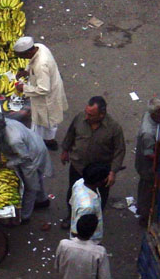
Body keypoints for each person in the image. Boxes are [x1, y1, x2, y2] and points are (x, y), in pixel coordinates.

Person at [61, 96, 126, 229]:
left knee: (99, 197)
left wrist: (113, 172)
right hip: (78, 165)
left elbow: (119, 151)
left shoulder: (114, 128)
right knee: (73, 193)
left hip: (100, 171)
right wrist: (65, 150)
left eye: (90, 115)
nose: (86, 116)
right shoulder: (80, 118)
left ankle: (94, 221)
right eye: (86, 112)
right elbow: (71, 134)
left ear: (101, 114)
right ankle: (71, 216)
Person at [14, 36, 69, 151]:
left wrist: (24, 88)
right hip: (51, 84)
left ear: (28, 52)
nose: (23, 59)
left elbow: (44, 89)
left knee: (47, 121)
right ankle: (44, 139)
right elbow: (32, 63)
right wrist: (27, 71)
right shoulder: (39, 47)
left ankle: (47, 142)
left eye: (23, 56)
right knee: (42, 121)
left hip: (48, 96)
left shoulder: (41, 65)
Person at [135, 98, 160, 226]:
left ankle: (142, 208)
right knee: (148, 190)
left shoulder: (148, 115)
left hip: (144, 161)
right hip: (147, 166)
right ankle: (144, 215)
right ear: (155, 114)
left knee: (144, 188)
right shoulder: (148, 132)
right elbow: (149, 154)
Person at [55, 214, 111, 279]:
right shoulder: (99, 252)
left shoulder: (63, 245)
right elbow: (104, 276)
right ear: (93, 232)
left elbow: (57, 266)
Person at [69, 163, 110, 243]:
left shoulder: (79, 183)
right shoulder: (88, 207)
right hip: (89, 241)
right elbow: (77, 231)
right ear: (98, 183)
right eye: (105, 178)